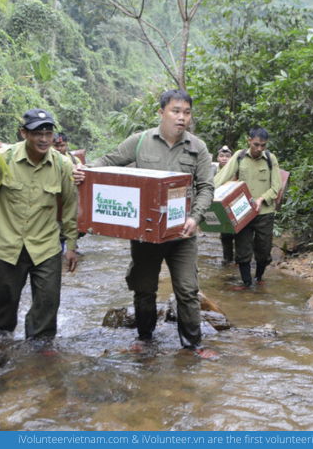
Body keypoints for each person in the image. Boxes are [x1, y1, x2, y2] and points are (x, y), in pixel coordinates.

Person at [72, 89, 216, 357]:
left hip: (182, 235)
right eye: (175, 111)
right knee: (144, 288)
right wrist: (84, 170)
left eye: (186, 112)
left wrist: (195, 218)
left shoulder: (198, 148)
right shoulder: (140, 142)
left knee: (187, 290)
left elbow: (207, 187)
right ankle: (145, 339)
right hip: (146, 234)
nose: (181, 117)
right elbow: (108, 160)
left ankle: (193, 345)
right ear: (161, 112)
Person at [0, 108, 78, 340]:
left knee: (47, 307)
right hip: (7, 247)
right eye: (37, 133)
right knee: (3, 313)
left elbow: (70, 207)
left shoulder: (62, 165)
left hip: (46, 248)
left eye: (48, 133)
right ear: (23, 133)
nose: (44, 139)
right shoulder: (2, 160)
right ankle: (0, 352)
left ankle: (38, 361)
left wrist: (71, 246)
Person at [214, 127, 282, 290]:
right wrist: (207, 192)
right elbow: (222, 177)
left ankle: (258, 277)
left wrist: (261, 199)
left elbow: (277, 186)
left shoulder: (270, 159)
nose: (259, 149)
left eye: (263, 145)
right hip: (243, 212)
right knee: (243, 249)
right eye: (256, 144)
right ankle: (246, 283)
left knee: (264, 249)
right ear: (249, 141)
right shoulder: (239, 157)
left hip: (264, 212)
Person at [215, 145, 236, 265]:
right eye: (221, 156)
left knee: (240, 234)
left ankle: (241, 259)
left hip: (234, 204)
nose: (224, 159)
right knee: (225, 233)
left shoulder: (237, 169)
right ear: (217, 158)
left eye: (227, 156)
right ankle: (227, 259)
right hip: (221, 206)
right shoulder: (212, 171)